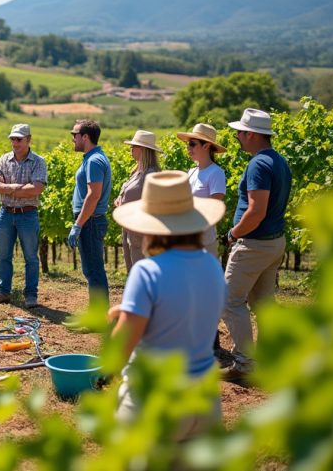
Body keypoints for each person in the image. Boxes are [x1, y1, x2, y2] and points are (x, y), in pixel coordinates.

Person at [109, 170, 226, 441]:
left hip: (155, 399)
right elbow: (185, 313)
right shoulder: (212, 266)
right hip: (204, 401)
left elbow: (123, 345)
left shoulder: (147, 271)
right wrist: (130, 311)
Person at [220, 108, 292, 382]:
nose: (237, 137)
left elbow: (256, 210)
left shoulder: (259, 165)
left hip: (254, 245)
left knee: (229, 301)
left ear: (251, 134)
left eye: (239, 132)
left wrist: (234, 233)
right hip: (274, 242)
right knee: (263, 303)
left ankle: (244, 364)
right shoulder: (279, 161)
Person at [0, 123, 47, 308]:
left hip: (28, 215)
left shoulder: (38, 161)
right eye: (12, 139)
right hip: (5, 213)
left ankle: (31, 296)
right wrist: (17, 188)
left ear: (28, 139)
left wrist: (6, 188)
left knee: (30, 257)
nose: (15, 142)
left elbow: (36, 189)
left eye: (19, 139)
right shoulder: (4, 159)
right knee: (3, 256)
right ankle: (3, 292)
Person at [66, 119, 112, 302]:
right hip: (89, 220)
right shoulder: (92, 158)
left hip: (90, 221)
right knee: (91, 270)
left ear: (85, 137)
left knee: (94, 270)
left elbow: (93, 195)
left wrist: (78, 225)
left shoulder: (94, 161)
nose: (73, 139)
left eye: (74, 135)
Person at [113, 130, 162, 271]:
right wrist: (119, 201)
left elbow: (155, 204)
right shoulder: (136, 172)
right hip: (130, 230)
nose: (131, 148)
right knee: (133, 271)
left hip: (142, 233)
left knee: (141, 273)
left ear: (144, 150)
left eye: (134, 146)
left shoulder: (151, 175)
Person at [176, 123, 227, 258]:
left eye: (192, 144)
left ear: (206, 146)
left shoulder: (216, 173)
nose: (188, 148)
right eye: (188, 144)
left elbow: (214, 207)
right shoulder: (191, 172)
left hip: (203, 240)